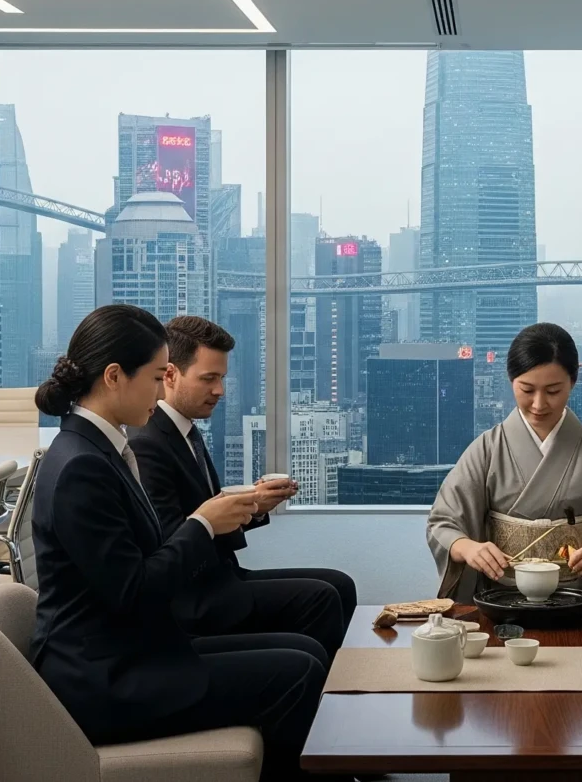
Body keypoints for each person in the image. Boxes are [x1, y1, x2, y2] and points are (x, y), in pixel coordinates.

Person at [29, 305, 326, 781]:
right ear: (113, 377)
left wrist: (213, 521)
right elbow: (134, 590)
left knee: (303, 655)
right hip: (105, 680)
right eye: (154, 376)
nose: (161, 389)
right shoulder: (82, 467)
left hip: (129, 652)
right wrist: (203, 524)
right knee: (296, 673)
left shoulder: (96, 451)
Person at [128, 314, 354, 656]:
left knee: (339, 584)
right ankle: (320, 697)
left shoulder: (184, 430)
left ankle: (337, 687)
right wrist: (235, 508)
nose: (219, 390)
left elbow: (203, 518)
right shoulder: (149, 443)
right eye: (209, 378)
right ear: (171, 374)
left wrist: (252, 505)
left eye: (221, 378)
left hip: (220, 576)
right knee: (321, 598)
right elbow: (171, 540)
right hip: (193, 598)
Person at [428, 322, 582, 603]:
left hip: (577, 601)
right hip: (499, 599)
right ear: (510, 381)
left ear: (573, 382)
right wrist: (468, 548)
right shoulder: (487, 448)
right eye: (527, 390)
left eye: (553, 391)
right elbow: (442, 523)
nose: (539, 404)